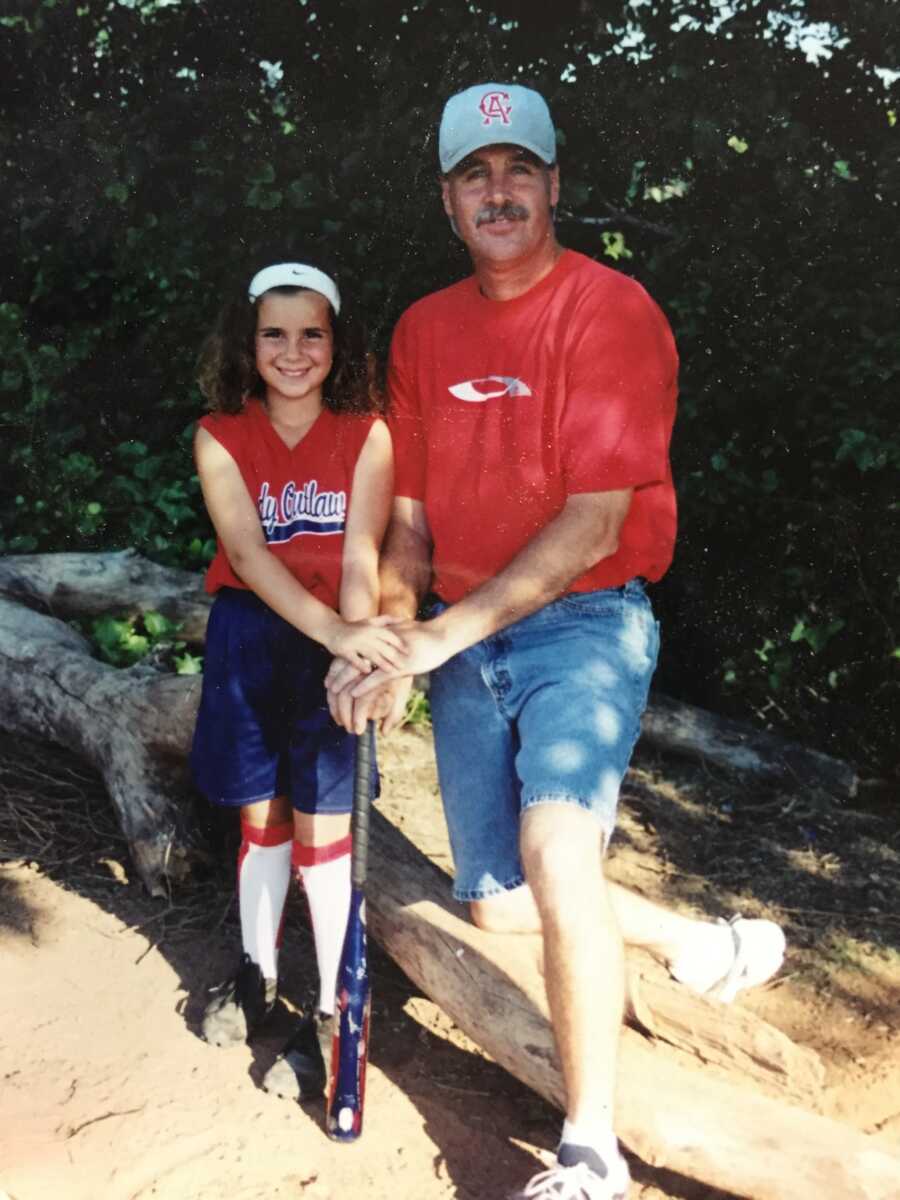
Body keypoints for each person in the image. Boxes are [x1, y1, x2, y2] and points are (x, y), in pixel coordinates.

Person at [326, 85, 787, 1198]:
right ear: (448, 200)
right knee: (497, 903)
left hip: (583, 619)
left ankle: (589, 1151)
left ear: (554, 186)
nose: (498, 191)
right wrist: (389, 637)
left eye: (518, 170)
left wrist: (440, 636)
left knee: (557, 848)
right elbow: (416, 524)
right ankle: (696, 945)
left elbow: (594, 521)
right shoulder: (428, 331)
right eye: (475, 175)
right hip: (465, 635)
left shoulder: (611, 309)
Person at [190, 258, 401, 1100]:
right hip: (251, 635)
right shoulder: (220, 433)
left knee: (323, 831)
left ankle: (328, 1009)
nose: (292, 350)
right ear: (249, 341)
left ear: (335, 342)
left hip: (330, 642)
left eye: (311, 332)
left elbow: (360, 555)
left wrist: (352, 649)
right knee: (261, 815)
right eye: (274, 333)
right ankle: (255, 976)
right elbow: (247, 554)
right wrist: (338, 632)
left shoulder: (368, 433)